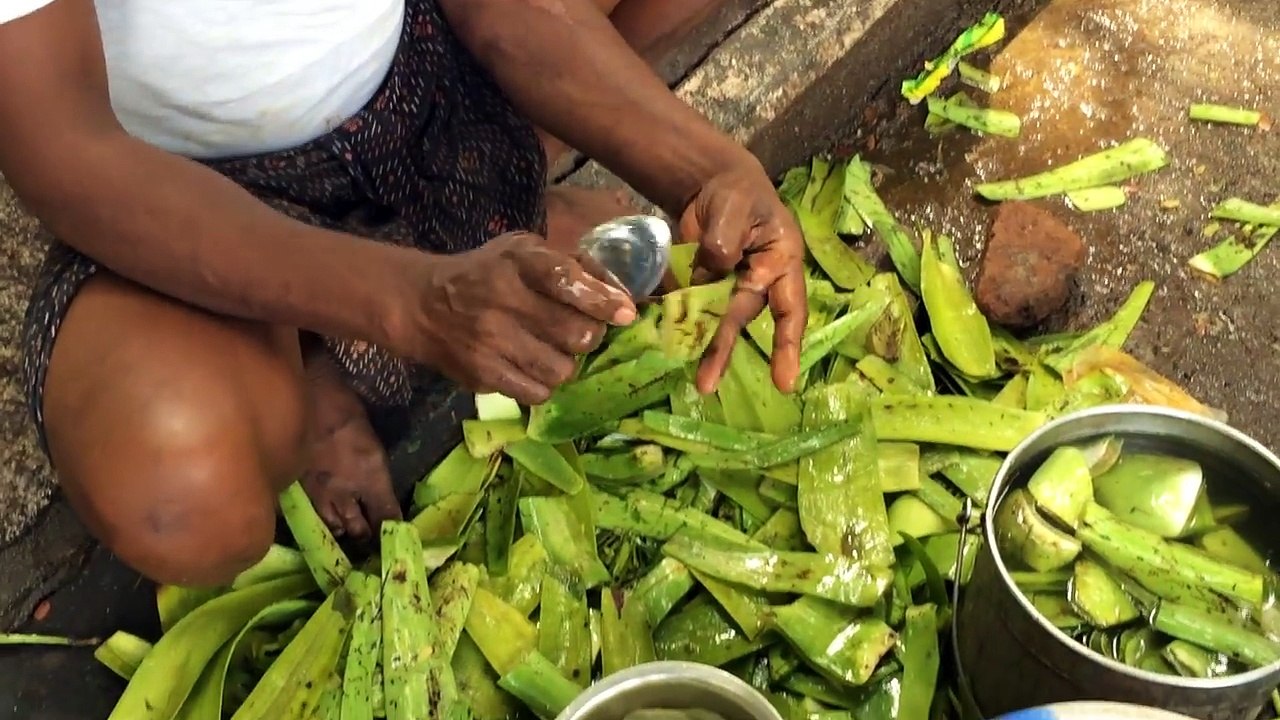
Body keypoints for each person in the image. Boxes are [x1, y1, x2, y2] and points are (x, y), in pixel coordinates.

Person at [0, 0, 807, 588]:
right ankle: (301, 336)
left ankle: (505, 196)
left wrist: (709, 173)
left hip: (422, 70)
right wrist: (408, 302)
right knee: (181, 494)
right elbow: (64, 149)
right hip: (184, 191)